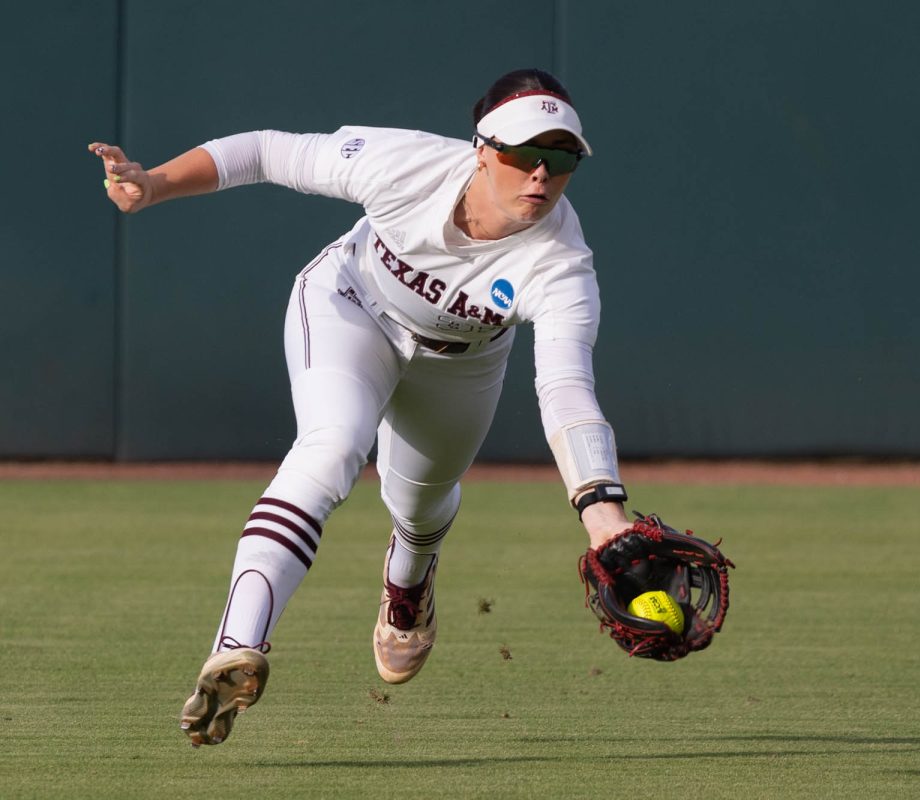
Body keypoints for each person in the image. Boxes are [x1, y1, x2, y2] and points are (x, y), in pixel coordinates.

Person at [90, 68, 634, 747]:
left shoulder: (559, 263)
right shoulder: (404, 165)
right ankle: (236, 647)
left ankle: (408, 585)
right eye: (526, 154)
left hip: (460, 363)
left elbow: (565, 387)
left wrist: (604, 515)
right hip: (351, 305)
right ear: (482, 149)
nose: (541, 177)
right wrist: (157, 183)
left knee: (422, 504)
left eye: (561, 160)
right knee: (331, 446)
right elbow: (263, 151)